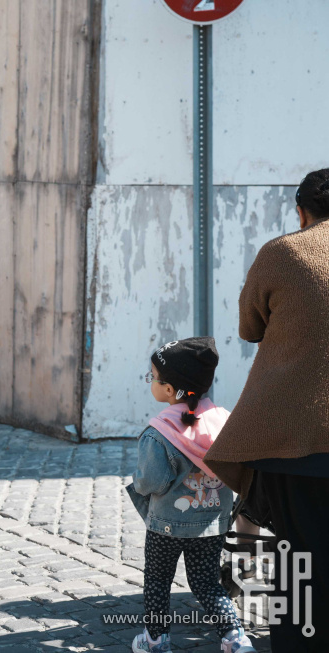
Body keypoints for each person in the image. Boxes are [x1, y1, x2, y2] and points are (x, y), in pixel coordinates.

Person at [205, 168, 329, 652]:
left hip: (293, 434)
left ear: (301, 212)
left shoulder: (283, 251)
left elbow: (250, 327)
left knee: (297, 555)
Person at [128, 338, 255, 653]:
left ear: (170, 390)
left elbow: (150, 482)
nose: (151, 382)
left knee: (158, 581)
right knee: (208, 584)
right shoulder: (223, 422)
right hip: (211, 524)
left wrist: (138, 483)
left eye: (153, 377)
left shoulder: (160, 432)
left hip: (166, 526)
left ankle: (156, 640)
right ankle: (235, 639)